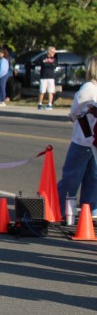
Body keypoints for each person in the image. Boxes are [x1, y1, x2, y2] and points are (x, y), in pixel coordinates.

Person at [56, 56, 97, 219]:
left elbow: (74, 112)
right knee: (90, 178)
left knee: (75, 177)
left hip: (86, 141)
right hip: (90, 141)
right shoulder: (90, 88)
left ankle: (65, 210)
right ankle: (88, 211)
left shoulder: (89, 87)